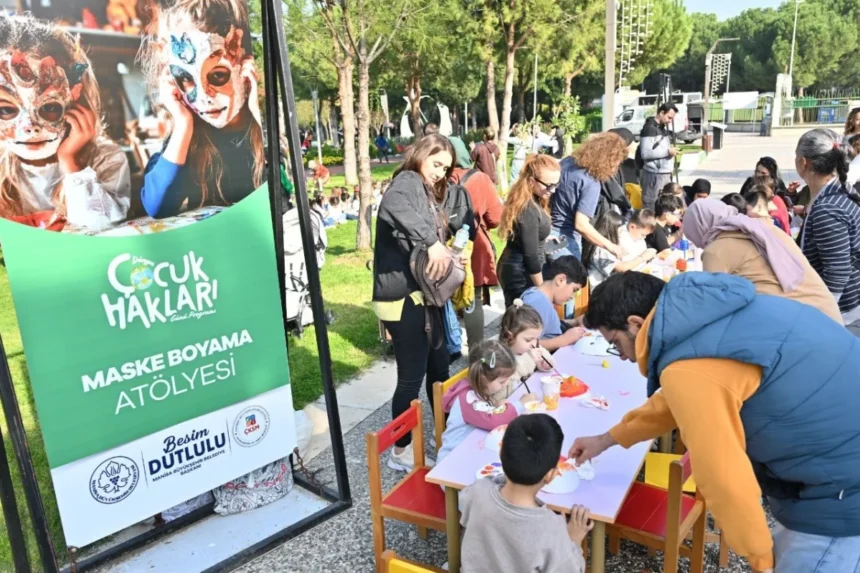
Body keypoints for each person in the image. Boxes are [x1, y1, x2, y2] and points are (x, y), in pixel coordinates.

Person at [569, 270, 860, 573]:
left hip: (839, 491)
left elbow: (724, 477)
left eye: (616, 343)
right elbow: (671, 403)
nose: (622, 356)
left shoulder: (688, 370)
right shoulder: (708, 316)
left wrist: (760, 560)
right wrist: (606, 440)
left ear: (636, 324)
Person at [0, 13, 131, 230]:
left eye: (49, 107)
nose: (30, 126)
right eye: (6, 109)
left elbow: (101, 229)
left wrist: (71, 162)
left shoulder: (106, 158)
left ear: (77, 100)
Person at [372, 134, 456, 471]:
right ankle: (400, 450)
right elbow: (391, 205)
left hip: (425, 294)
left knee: (439, 369)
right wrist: (433, 243)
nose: (439, 172)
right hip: (402, 297)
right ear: (421, 155)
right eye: (436, 163)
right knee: (411, 377)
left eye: (445, 168)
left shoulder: (423, 187)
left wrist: (445, 250)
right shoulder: (407, 180)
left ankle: (445, 434)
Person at [139, 0, 264, 218]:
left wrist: (260, 116)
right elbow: (157, 207)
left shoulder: (262, 131)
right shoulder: (191, 139)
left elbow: (283, 194)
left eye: (218, 75)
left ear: (243, 64)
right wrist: (183, 124)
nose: (204, 97)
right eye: (186, 78)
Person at [460, 414, 590, 573]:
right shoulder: (552, 528)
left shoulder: (477, 493)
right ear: (551, 475)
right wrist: (573, 540)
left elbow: (466, 503)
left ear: (501, 454)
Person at [683, 198, 842, 324]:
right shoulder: (761, 227)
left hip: (800, 325)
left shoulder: (716, 250)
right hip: (828, 313)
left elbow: (712, 307)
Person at [795, 129, 860, 335]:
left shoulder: (828, 209)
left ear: (803, 162)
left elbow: (837, 271)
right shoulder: (838, 191)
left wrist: (822, 319)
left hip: (843, 314)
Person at [438, 340, 530, 463]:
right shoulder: (467, 398)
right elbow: (493, 421)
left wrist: (496, 407)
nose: (506, 384)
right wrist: (520, 404)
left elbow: (484, 412)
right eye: (502, 381)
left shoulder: (479, 388)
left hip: (472, 451)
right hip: (451, 462)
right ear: (483, 378)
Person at [551, 133, 627, 261]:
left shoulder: (567, 162)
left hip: (548, 233)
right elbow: (581, 225)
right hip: (566, 238)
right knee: (570, 273)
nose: (615, 170)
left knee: (548, 272)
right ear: (606, 160)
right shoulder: (591, 182)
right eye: (615, 164)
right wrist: (611, 246)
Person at [497, 154, 560, 306]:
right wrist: (543, 291)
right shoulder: (528, 210)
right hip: (520, 274)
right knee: (525, 318)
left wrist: (543, 239)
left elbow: (526, 235)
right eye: (549, 185)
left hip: (522, 267)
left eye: (556, 184)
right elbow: (530, 256)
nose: (553, 190)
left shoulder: (534, 199)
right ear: (532, 181)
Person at [449, 166, 502, 346]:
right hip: (470, 242)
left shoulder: (432, 173)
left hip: (439, 242)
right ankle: (476, 351)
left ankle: (446, 348)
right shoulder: (480, 178)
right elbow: (495, 218)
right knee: (472, 298)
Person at [520, 256, 587, 351]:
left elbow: (550, 326)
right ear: (560, 280)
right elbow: (526, 344)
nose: (572, 296)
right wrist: (564, 340)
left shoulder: (539, 296)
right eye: (574, 290)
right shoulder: (537, 303)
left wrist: (575, 321)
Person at [496, 301, 554, 400]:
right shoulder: (497, 352)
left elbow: (547, 357)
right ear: (510, 336)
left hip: (527, 396)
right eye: (528, 340)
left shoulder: (530, 346)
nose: (534, 344)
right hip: (506, 403)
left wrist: (545, 364)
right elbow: (510, 374)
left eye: (536, 339)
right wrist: (531, 360)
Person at [584, 211, 657, 289]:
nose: (624, 230)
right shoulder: (601, 249)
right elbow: (621, 268)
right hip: (604, 291)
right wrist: (642, 257)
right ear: (610, 229)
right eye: (621, 228)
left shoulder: (613, 243)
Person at [638, 103, 678, 210]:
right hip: (654, 176)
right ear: (661, 113)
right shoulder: (649, 129)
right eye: (669, 117)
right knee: (652, 207)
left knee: (664, 207)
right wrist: (667, 152)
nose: (670, 121)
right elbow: (645, 153)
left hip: (663, 174)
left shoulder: (661, 128)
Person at [594, 127, 634, 221]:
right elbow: (614, 191)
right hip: (604, 211)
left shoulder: (604, 159)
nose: (629, 149)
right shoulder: (606, 164)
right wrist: (628, 207)